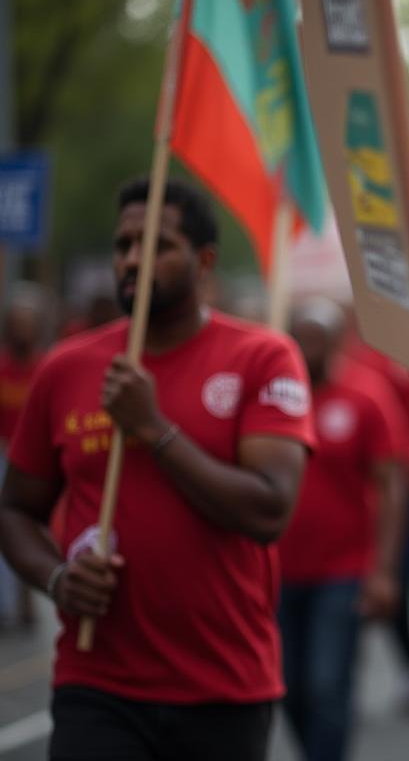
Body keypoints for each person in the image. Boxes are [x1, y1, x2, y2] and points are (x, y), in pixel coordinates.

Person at [0, 178, 313, 761]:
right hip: (97, 685)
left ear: (204, 260)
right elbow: (16, 509)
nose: (133, 259)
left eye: (157, 244)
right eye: (123, 245)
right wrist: (58, 580)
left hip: (224, 686)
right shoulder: (66, 369)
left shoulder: (263, 357)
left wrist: (154, 429)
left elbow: (269, 509)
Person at [277, 298, 406, 761]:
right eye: (301, 336)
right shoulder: (276, 395)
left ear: (336, 341)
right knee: (288, 686)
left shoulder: (365, 394)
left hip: (343, 570)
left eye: (318, 338)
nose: (308, 347)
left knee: (328, 683)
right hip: (279, 569)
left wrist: (384, 571)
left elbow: (391, 486)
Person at [0, 285, 50, 628]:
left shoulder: (46, 367)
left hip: (33, 462)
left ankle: (27, 599)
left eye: (27, 323)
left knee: (33, 529)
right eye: (16, 323)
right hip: (2, 456)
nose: (22, 330)